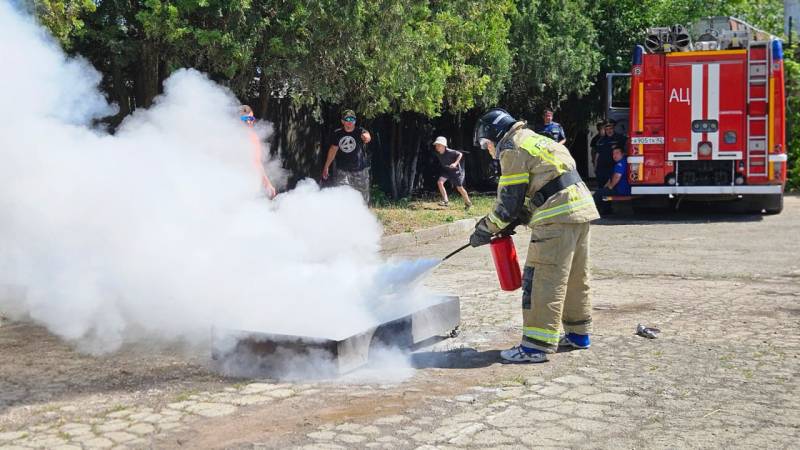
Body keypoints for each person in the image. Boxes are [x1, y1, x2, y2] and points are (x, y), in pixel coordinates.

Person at [470, 108, 599, 364]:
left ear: (495, 134)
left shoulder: (512, 148)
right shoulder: (535, 139)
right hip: (580, 211)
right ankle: (578, 334)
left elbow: (508, 204)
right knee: (574, 276)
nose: (488, 149)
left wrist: (485, 229)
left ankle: (535, 346)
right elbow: (546, 185)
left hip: (556, 219)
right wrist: (521, 216)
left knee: (543, 279)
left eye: (486, 144)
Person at [322, 109, 372, 203]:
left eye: (352, 119)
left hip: (359, 171)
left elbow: (367, 136)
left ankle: (363, 216)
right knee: (340, 197)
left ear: (355, 121)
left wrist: (367, 137)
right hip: (342, 171)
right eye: (347, 119)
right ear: (342, 121)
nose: (350, 122)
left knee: (363, 199)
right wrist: (326, 167)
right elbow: (333, 150)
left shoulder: (359, 131)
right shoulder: (337, 133)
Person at [240, 105, 276, 199]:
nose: (250, 121)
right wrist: (267, 184)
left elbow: (256, 162)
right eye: (246, 118)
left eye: (251, 118)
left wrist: (267, 183)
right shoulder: (250, 137)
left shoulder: (251, 137)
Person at [433, 136, 473, 210]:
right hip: (446, 170)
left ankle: (468, 203)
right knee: (440, 182)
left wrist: (455, 163)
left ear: (444, 146)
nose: (437, 147)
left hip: (455, 171)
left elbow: (460, 154)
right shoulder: (437, 153)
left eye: (439, 145)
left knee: (460, 188)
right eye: (436, 145)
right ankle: (445, 201)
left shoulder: (450, 152)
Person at [593, 146, 630, 215]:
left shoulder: (620, 164)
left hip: (621, 190)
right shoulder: (624, 161)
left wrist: (610, 187)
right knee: (604, 192)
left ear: (622, 154)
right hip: (623, 189)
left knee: (597, 194)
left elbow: (617, 176)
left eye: (617, 153)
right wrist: (606, 187)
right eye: (613, 154)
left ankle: (594, 212)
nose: (614, 155)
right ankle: (606, 211)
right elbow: (612, 178)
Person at [594, 120, 626, 188]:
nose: (609, 130)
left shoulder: (620, 138)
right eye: (607, 129)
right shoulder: (601, 140)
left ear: (613, 128)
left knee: (611, 188)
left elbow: (625, 150)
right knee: (601, 187)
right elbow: (597, 154)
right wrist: (595, 167)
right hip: (601, 169)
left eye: (610, 128)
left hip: (612, 168)